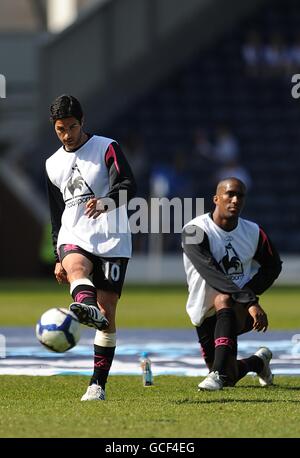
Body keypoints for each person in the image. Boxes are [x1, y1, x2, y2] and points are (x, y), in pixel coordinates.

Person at [45, 95, 136, 401]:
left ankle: (97, 384)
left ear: (82, 122)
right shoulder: (52, 164)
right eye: (61, 129)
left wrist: (107, 201)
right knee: (75, 268)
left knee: (108, 315)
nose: (67, 134)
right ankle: (86, 306)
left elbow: (127, 185)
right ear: (54, 128)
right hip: (74, 235)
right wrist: (58, 253)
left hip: (112, 237)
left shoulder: (106, 146)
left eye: (72, 126)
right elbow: (56, 212)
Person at [182, 177, 282, 391]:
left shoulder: (254, 232)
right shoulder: (193, 231)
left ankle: (216, 375)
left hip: (236, 307)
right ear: (216, 199)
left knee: (223, 298)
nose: (235, 200)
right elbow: (212, 273)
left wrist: (249, 296)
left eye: (240, 195)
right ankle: (258, 362)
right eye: (230, 194)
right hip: (203, 310)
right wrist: (250, 300)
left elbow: (273, 266)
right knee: (230, 375)